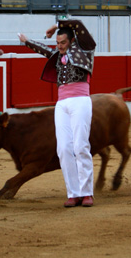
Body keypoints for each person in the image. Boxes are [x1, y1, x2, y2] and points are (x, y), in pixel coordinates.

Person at [18, 19, 96, 208]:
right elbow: (43, 50)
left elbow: (77, 23)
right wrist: (27, 41)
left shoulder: (85, 49)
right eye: (57, 43)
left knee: (80, 146)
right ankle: (74, 193)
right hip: (61, 104)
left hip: (80, 101)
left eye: (63, 43)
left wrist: (57, 24)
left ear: (72, 41)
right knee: (63, 149)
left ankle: (87, 193)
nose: (59, 46)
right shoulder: (57, 54)